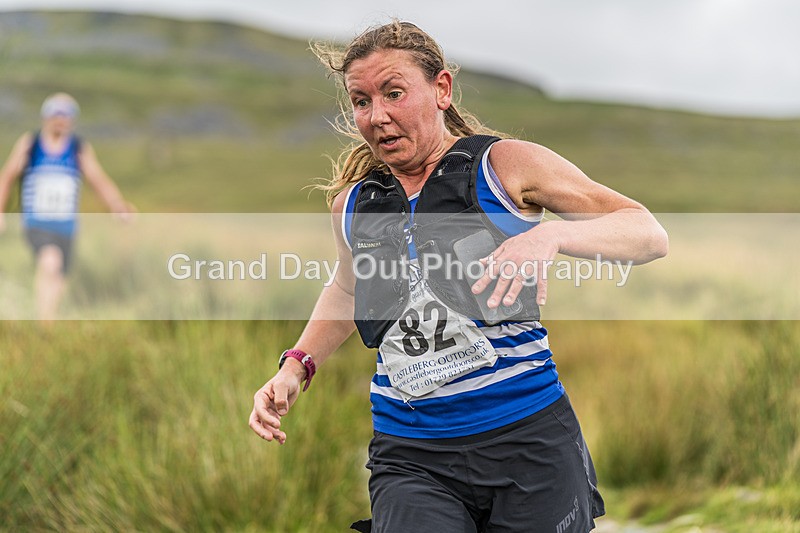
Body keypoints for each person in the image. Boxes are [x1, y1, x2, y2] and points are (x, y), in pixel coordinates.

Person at [249, 21, 668, 533]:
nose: (377, 116)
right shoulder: (353, 204)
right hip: (411, 453)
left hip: (528, 440)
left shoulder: (504, 165)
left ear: (441, 89)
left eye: (394, 93)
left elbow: (646, 232)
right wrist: (296, 366)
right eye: (361, 101)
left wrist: (550, 238)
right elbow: (348, 288)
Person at [0, 92, 134, 321]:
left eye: (66, 115)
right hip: (36, 224)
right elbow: (7, 177)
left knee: (60, 280)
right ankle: (44, 328)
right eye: (55, 114)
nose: (60, 120)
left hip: (66, 228)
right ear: (46, 116)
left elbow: (98, 180)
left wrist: (117, 204)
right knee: (50, 262)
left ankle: (48, 321)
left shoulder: (78, 149)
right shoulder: (31, 145)